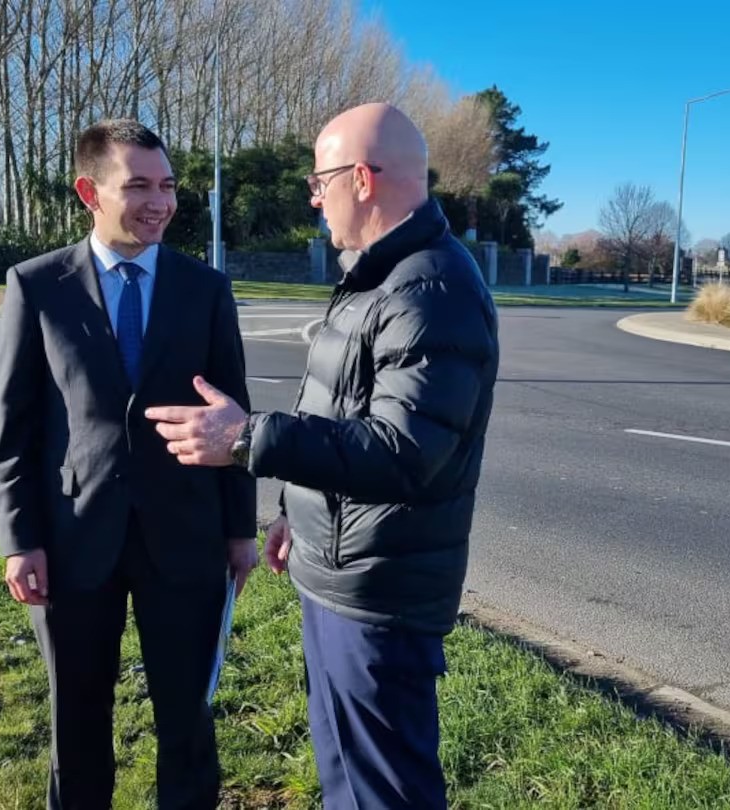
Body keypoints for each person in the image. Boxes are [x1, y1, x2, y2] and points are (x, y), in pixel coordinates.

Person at [145, 102, 499, 809]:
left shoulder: (429, 289)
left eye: (320, 179)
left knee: (382, 791)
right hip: (342, 569)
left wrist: (247, 439)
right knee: (348, 777)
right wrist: (296, 516)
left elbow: (403, 452)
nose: (313, 195)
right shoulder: (379, 274)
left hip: (379, 596)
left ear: (362, 179)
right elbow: (338, 413)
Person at [0, 118, 258, 810]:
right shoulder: (38, 286)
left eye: (167, 185)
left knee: (188, 720)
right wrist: (20, 541)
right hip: (75, 540)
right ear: (89, 191)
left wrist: (239, 531)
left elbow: (234, 419)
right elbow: (14, 431)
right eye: (138, 185)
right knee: (77, 718)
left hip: (186, 537)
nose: (159, 202)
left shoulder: (206, 290)